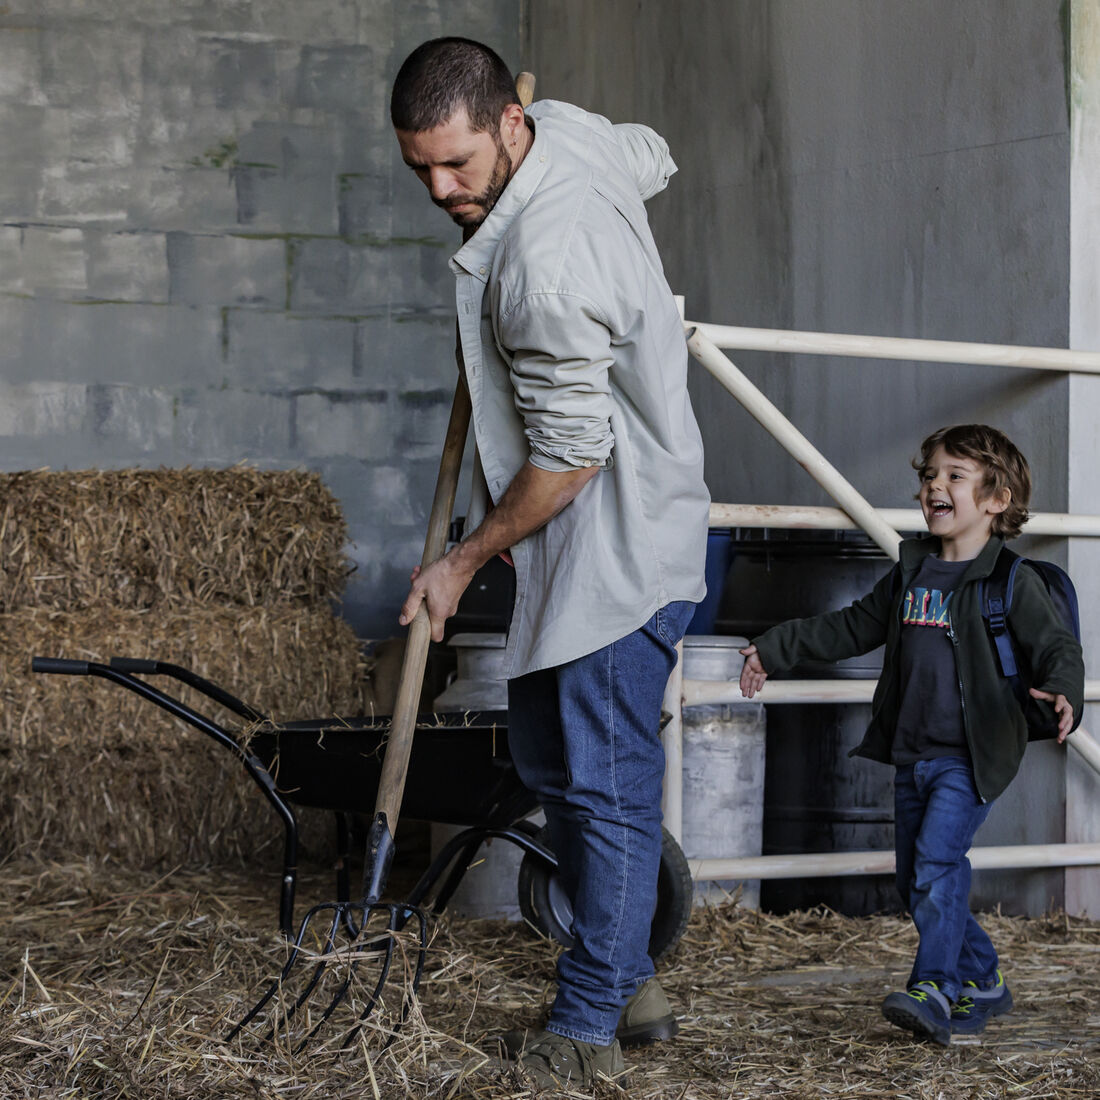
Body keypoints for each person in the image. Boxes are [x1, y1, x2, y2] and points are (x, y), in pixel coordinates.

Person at [390, 38, 709, 1087]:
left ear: (506, 129)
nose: (441, 190)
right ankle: (628, 982)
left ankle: (583, 1034)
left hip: (613, 547)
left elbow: (569, 461)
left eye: (459, 167)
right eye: (421, 169)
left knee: (601, 791)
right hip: (595, 548)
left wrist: (460, 561)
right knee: (569, 779)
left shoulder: (543, 264)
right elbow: (650, 149)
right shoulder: (570, 134)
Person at [740, 424, 1083, 1046]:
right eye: (929, 476)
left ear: (996, 499)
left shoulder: (1012, 581)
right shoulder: (912, 573)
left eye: (955, 476)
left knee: (935, 863)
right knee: (915, 878)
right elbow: (849, 628)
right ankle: (985, 978)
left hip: (970, 758)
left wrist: (1064, 688)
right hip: (913, 754)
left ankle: (935, 987)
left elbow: (1056, 646)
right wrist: (774, 647)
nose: (935, 486)